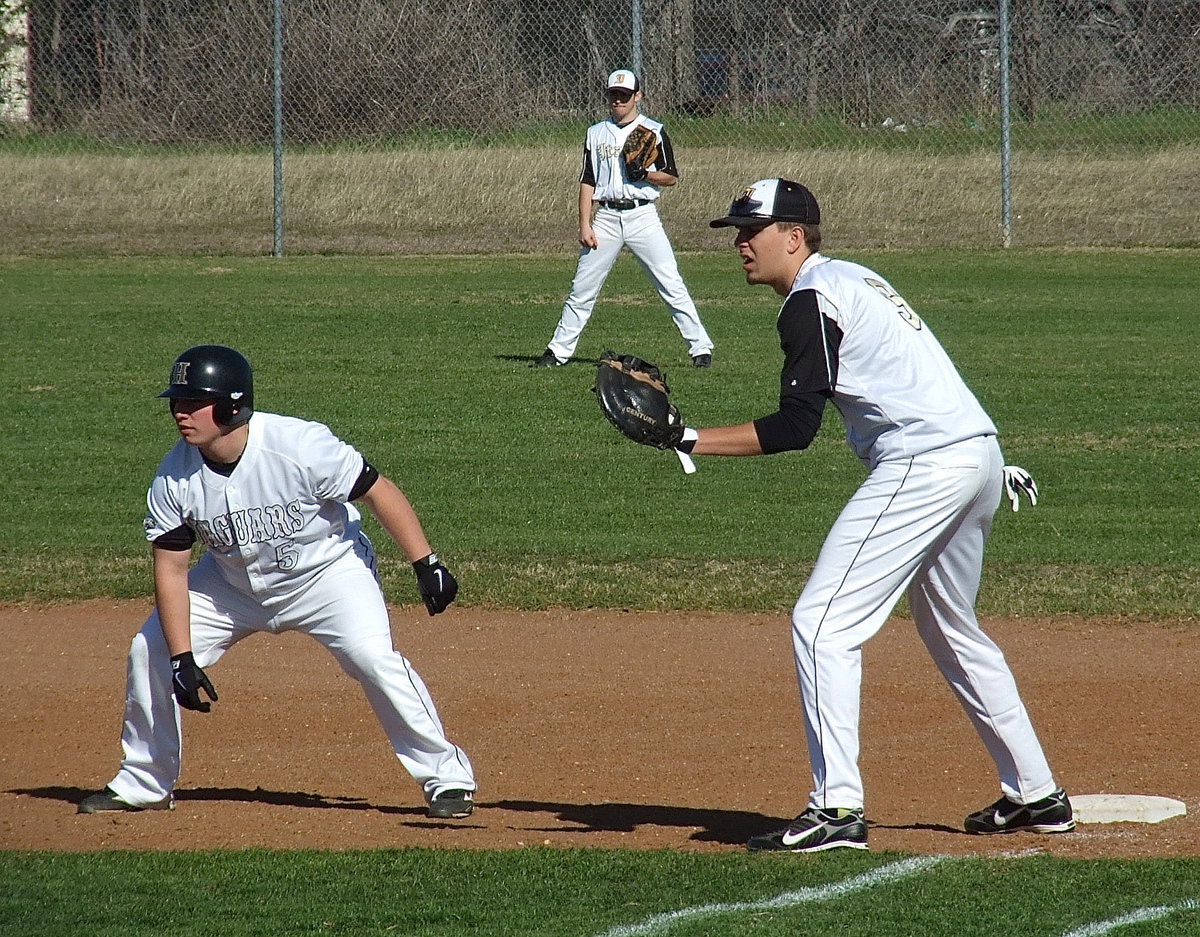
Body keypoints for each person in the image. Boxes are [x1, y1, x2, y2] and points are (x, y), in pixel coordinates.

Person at [680, 179, 1073, 852]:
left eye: (753, 230)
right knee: (950, 626)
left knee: (821, 624)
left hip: (926, 463)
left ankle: (836, 810)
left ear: (794, 236)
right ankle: (1036, 792)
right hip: (978, 456)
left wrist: (688, 439)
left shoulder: (810, 299)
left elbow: (796, 427)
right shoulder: (853, 279)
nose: (741, 243)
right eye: (737, 232)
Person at [78, 345, 476, 820]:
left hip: (327, 574)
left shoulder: (299, 445)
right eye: (176, 402)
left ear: (231, 405)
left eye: (192, 402)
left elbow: (377, 490)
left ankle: (447, 778)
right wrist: (182, 655)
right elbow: (172, 568)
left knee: (373, 658)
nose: (180, 413)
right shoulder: (174, 477)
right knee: (151, 650)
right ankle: (144, 781)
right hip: (230, 586)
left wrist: (425, 562)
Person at [531, 68, 714, 369]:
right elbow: (587, 180)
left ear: (637, 96)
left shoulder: (653, 130)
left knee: (670, 282)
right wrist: (584, 223)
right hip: (606, 217)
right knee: (582, 288)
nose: (618, 101)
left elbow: (671, 177)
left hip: (643, 216)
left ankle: (700, 349)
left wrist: (646, 174)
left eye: (625, 95)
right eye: (614, 95)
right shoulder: (596, 132)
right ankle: (557, 352)